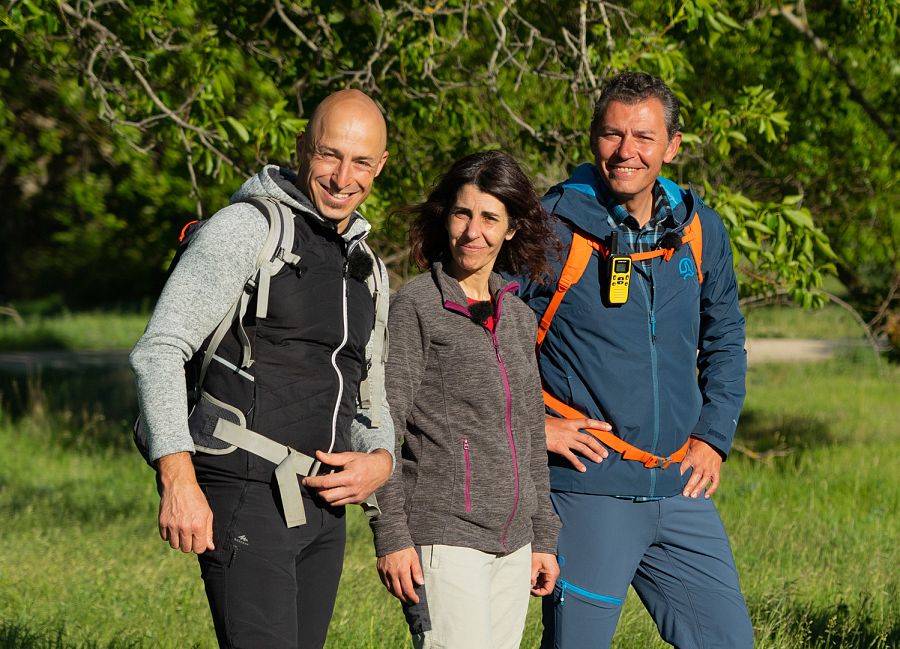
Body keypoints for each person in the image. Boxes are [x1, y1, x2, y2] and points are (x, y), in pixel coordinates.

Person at [130, 89, 396, 649]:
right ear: (302, 148)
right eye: (329, 154)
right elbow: (160, 348)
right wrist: (177, 479)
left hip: (322, 506)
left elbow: (369, 395)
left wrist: (380, 461)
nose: (343, 176)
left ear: (380, 166)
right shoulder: (247, 229)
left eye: (362, 162)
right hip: (244, 490)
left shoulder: (366, 266)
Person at [507, 72, 754, 648]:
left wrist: (714, 437)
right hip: (588, 488)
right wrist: (534, 425)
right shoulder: (550, 229)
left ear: (672, 146)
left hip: (679, 487)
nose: (627, 152)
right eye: (613, 134)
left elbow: (726, 336)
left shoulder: (697, 229)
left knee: (728, 640)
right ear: (593, 139)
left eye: (644, 137)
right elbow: (482, 336)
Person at [371, 150, 561, 649]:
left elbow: (528, 432)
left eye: (489, 217)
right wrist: (391, 535)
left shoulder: (517, 316)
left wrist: (542, 536)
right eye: (462, 213)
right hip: (443, 540)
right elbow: (382, 426)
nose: (472, 231)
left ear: (512, 228)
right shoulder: (417, 307)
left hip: (514, 545)